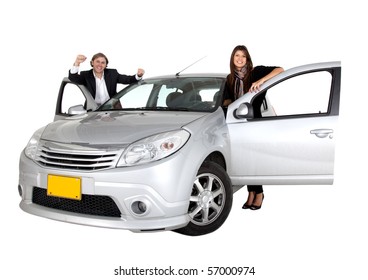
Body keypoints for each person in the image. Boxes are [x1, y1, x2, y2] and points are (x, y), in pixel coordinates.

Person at [222, 45, 284, 210]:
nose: (240, 59)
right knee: (246, 160)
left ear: (247, 59)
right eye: (237, 56)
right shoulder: (229, 79)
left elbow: (281, 70)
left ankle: (259, 193)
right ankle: (251, 192)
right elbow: (227, 101)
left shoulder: (255, 72)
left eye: (243, 56)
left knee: (255, 160)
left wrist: (261, 81)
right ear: (232, 59)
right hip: (239, 124)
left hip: (255, 122)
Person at [68, 53, 145, 106]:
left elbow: (127, 79)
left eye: (103, 63)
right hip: (93, 109)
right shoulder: (86, 75)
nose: (100, 65)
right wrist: (77, 62)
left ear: (106, 65)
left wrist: (138, 75)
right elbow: (73, 78)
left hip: (112, 108)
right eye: (97, 62)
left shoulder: (112, 73)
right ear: (92, 63)